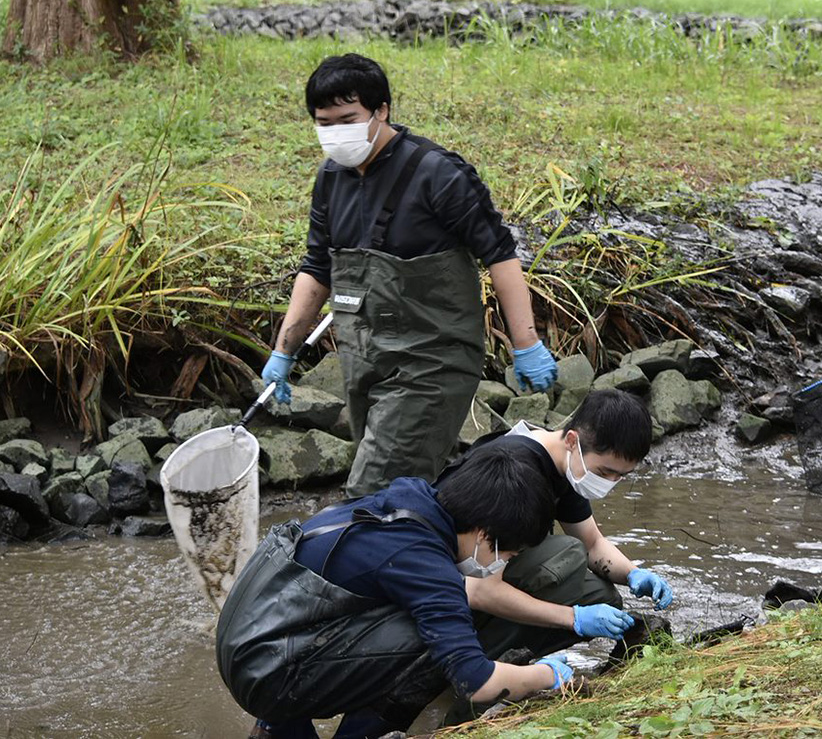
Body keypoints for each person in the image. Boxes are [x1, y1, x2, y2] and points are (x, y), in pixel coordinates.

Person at [261, 53, 557, 498]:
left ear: (382, 111)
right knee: (405, 492)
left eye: (347, 119)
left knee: (372, 494)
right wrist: (283, 353)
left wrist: (527, 343)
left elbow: (500, 254)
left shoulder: (438, 174)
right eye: (324, 123)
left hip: (431, 363)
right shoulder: (331, 178)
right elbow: (317, 266)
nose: (335, 133)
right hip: (365, 362)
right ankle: (466, 555)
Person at [215, 444, 570, 739]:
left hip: (251, 642)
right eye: (508, 553)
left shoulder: (409, 501)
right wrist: (547, 675)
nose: (501, 564)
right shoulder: (424, 560)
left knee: (422, 614)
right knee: (431, 640)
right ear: (482, 533)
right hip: (268, 670)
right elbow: (475, 681)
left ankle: (276, 728)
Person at [436, 389, 673, 665]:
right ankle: (475, 662)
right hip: (449, 583)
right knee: (567, 554)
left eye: (621, 476)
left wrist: (633, 574)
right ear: (573, 440)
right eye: (605, 473)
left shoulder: (568, 466)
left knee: (601, 596)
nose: (610, 482)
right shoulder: (517, 470)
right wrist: (574, 619)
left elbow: (593, 543)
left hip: (484, 577)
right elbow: (480, 589)